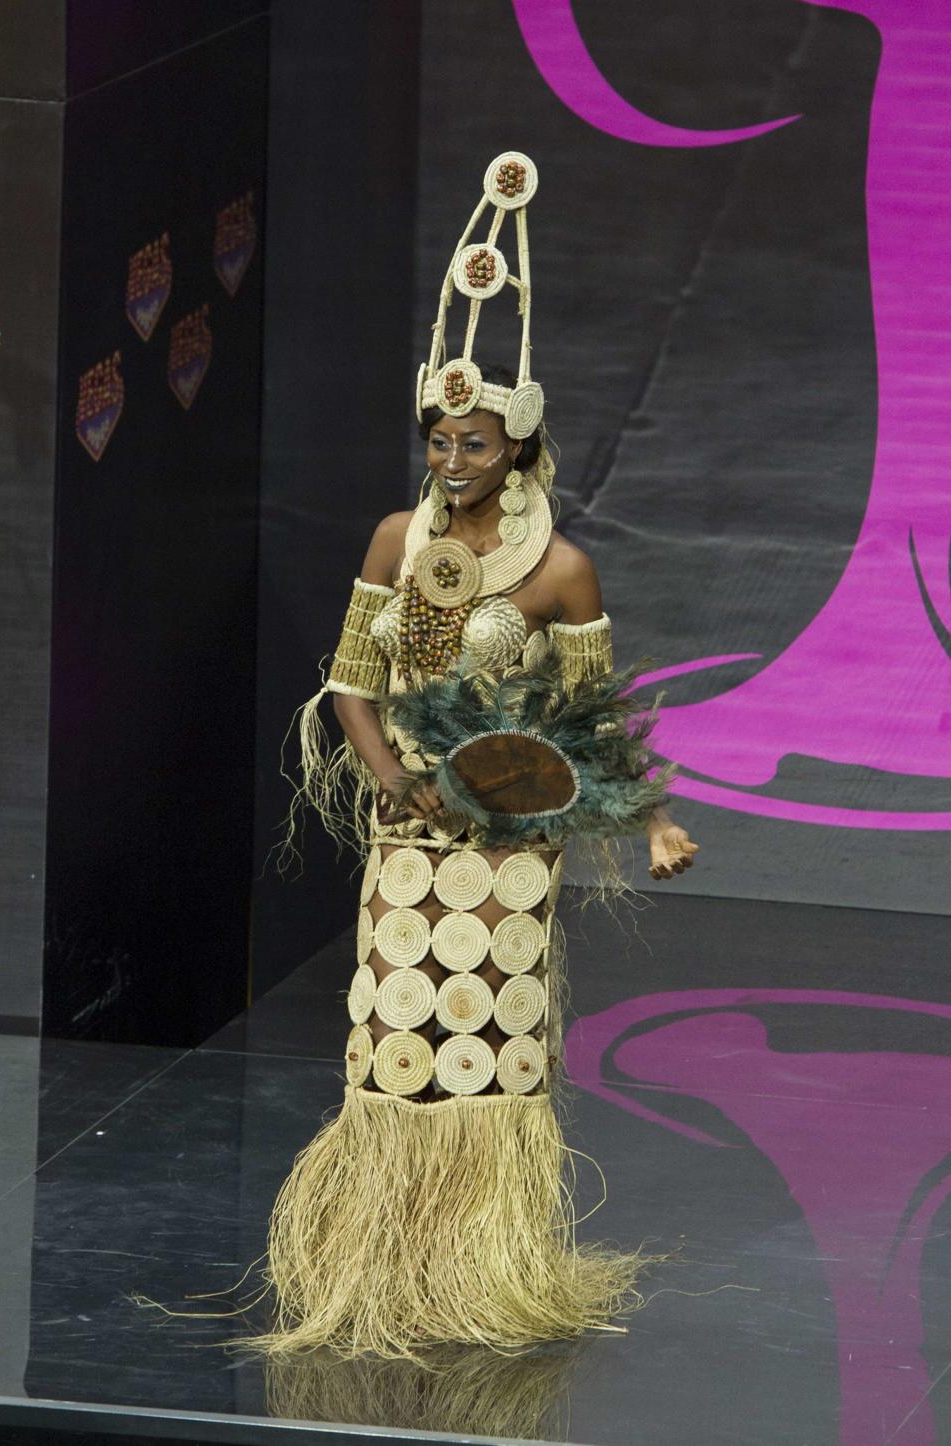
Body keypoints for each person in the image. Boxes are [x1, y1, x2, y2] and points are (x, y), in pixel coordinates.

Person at [260, 152, 699, 1361]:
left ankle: (483, 1271)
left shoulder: (561, 571)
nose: (455, 462)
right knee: (395, 1035)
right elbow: (354, 683)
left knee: (489, 1035)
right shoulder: (396, 538)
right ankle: (381, 1269)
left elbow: (593, 716)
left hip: (510, 836)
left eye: (477, 445)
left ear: (519, 448)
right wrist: (395, 778)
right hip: (412, 828)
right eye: (441, 441)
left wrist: (648, 819)